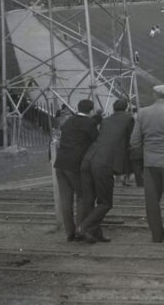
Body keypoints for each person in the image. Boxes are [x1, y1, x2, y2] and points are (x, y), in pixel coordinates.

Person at [129, 84, 164, 243]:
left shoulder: (142, 112)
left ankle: (157, 235)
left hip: (150, 160)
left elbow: (134, 141)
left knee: (152, 200)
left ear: (155, 95)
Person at [77, 98, 133, 243]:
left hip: (88, 160)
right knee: (105, 203)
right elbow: (131, 141)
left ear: (114, 108)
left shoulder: (106, 120)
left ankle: (95, 233)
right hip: (104, 163)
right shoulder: (129, 119)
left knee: (89, 201)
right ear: (126, 108)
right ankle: (83, 228)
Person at [54, 99, 99, 241]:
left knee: (65, 199)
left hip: (60, 163)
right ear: (91, 110)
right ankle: (81, 229)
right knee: (82, 197)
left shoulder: (68, 121)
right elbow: (96, 141)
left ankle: (69, 233)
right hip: (75, 166)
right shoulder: (90, 123)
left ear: (78, 108)